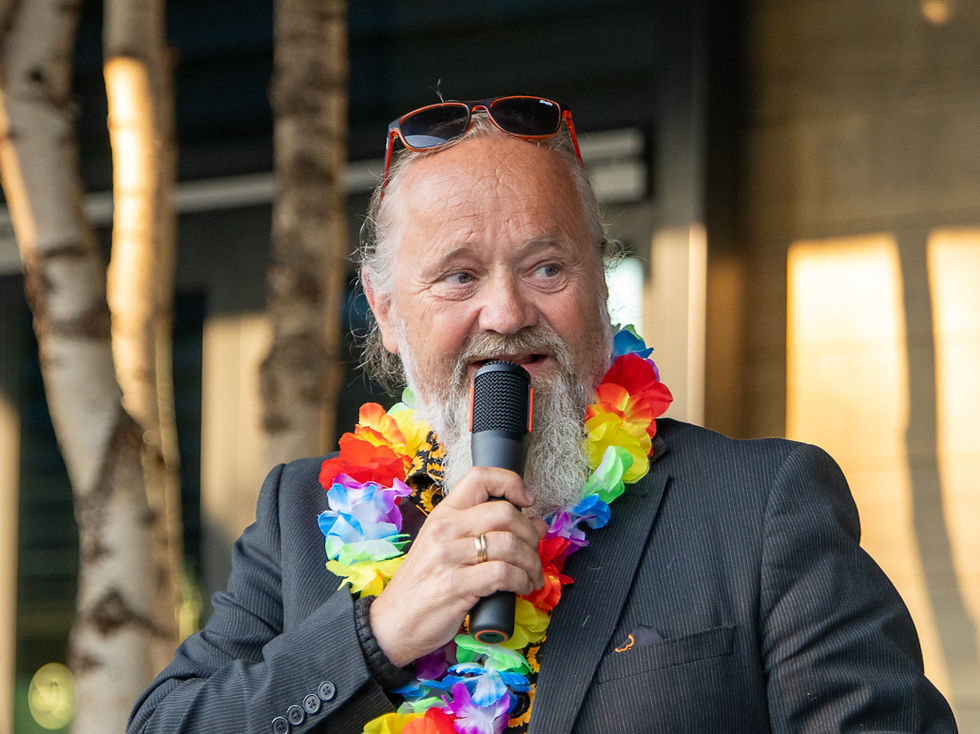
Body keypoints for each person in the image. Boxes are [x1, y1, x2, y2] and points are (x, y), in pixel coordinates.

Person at [128, 95, 957, 733]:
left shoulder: (763, 505)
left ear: (600, 281)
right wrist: (377, 634)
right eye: (457, 275)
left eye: (547, 266)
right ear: (384, 310)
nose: (504, 311)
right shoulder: (297, 519)